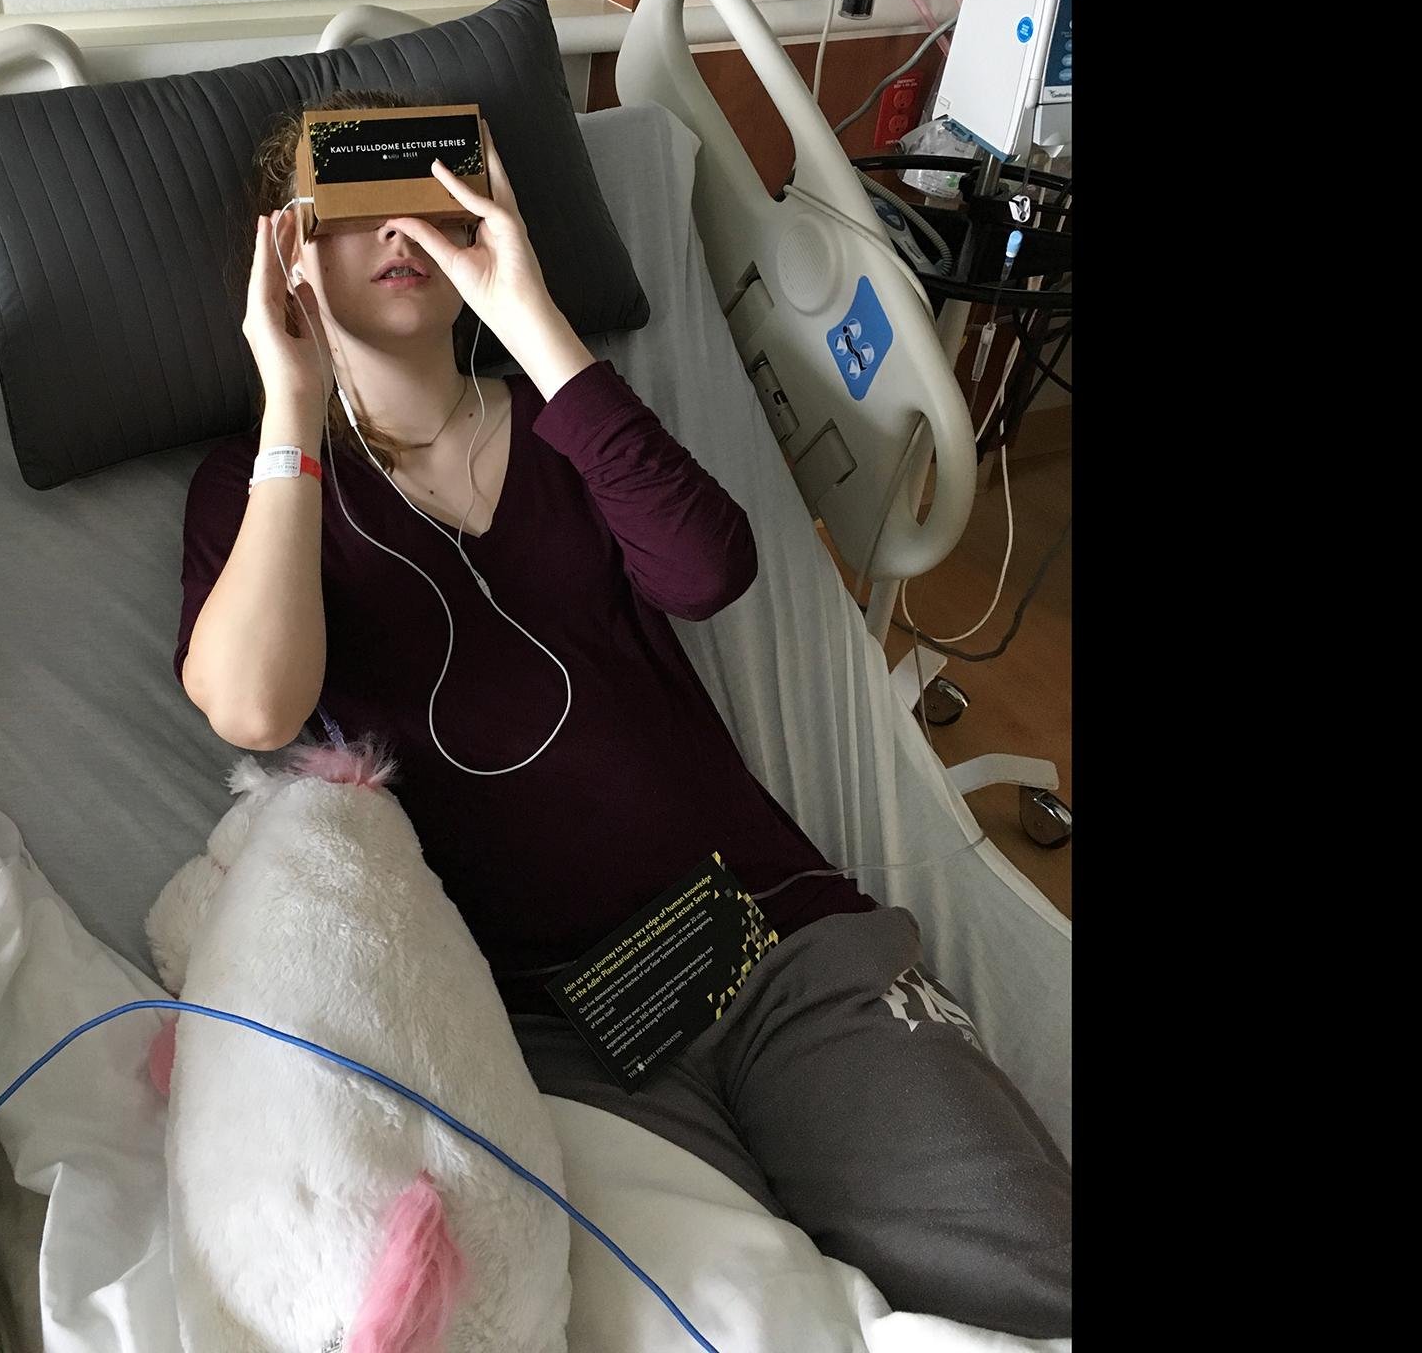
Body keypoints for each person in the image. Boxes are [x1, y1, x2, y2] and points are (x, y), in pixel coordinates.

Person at [174, 91, 1070, 1336]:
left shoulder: (565, 421)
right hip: (553, 1032)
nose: (400, 229)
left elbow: (709, 570)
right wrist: (291, 397)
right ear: (291, 251)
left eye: (429, 192)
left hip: (771, 940)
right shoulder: (259, 483)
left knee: (1027, 1278)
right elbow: (256, 704)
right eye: (357, 200)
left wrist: (532, 320)